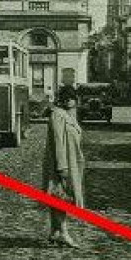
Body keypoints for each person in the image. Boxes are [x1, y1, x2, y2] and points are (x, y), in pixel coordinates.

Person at [42, 85, 87, 248]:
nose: (69, 100)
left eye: (72, 98)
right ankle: (64, 233)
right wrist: (62, 168)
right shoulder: (58, 115)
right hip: (61, 163)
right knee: (61, 197)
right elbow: (58, 142)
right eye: (66, 98)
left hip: (71, 161)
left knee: (58, 196)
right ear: (61, 99)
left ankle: (55, 232)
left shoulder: (69, 115)